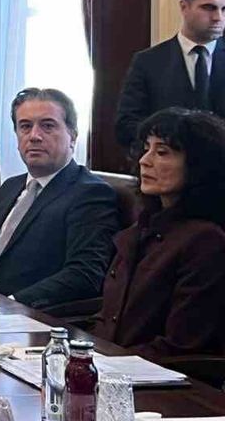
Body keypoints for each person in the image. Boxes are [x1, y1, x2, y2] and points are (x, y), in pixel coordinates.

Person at [0, 88, 119, 309]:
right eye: (25, 126)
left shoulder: (90, 194)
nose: (34, 136)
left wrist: (12, 304)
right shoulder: (11, 186)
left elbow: (84, 274)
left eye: (48, 126)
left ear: (73, 137)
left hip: (22, 316)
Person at [92, 108, 225, 359]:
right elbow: (108, 319)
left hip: (155, 378)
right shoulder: (141, 228)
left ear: (199, 165)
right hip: (110, 364)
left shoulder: (206, 241)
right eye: (146, 149)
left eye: (162, 152)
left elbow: (180, 348)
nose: (145, 160)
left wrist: (102, 363)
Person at [116, 0, 225, 152]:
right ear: (184, 7)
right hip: (165, 165)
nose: (218, 17)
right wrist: (166, 146)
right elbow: (126, 125)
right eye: (208, 8)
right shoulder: (148, 62)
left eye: (223, 9)